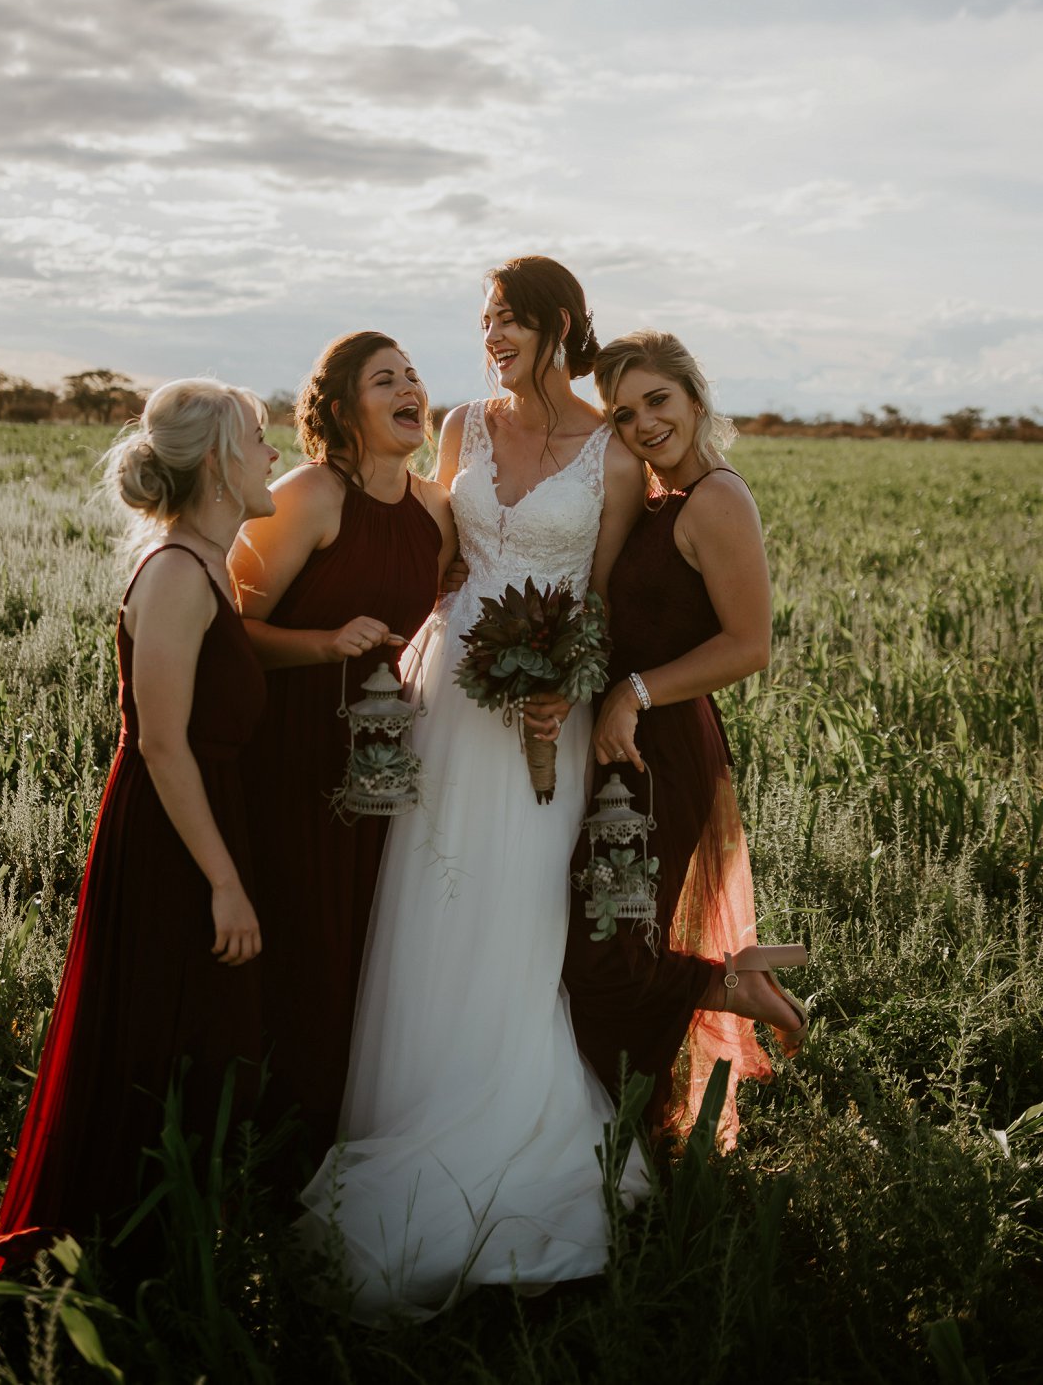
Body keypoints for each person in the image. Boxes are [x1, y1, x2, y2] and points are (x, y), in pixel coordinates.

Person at [298, 256, 648, 1322]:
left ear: (560, 325)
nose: (491, 336)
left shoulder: (614, 457)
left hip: (549, 712)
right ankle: (412, 1103)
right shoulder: (460, 429)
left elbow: (599, 607)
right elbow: (435, 557)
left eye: (510, 321)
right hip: (451, 691)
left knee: (519, 912)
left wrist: (569, 690)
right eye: (485, 320)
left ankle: (515, 1117)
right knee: (431, 898)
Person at [0, 379, 278, 1268]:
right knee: (152, 1036)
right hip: (167, 839)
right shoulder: (175, 576)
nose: (276, 456)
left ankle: (166, 1253)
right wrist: (223, 881)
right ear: (223, 463)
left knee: (194, 1037)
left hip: (199, 821)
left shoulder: (211, 567)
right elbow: (159, 743)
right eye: (262, 439)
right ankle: (105, 1261)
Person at [562, 330, 808, 1146]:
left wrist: (633, 692)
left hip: (660, 750)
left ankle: (724, 1006)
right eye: (624, 413)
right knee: (605, 933)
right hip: (623, 744)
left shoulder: (717, 499)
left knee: (607, 951)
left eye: (657, 400)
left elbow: (749, 643)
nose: (643, 423)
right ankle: (604, 1126)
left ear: (695, 398)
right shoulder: (657, 500)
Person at [229, 332, 455, 1175]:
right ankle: (270, 1141)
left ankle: (338, 1129)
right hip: (292, 750)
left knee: (362, 939)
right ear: (342, 407)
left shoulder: (436, 510)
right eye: (384, 378)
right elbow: (231, 632)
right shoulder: (309, 494)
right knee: (299, 932)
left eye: (413, 376)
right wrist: (324, 642)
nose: (409, 388)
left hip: (385, 756)